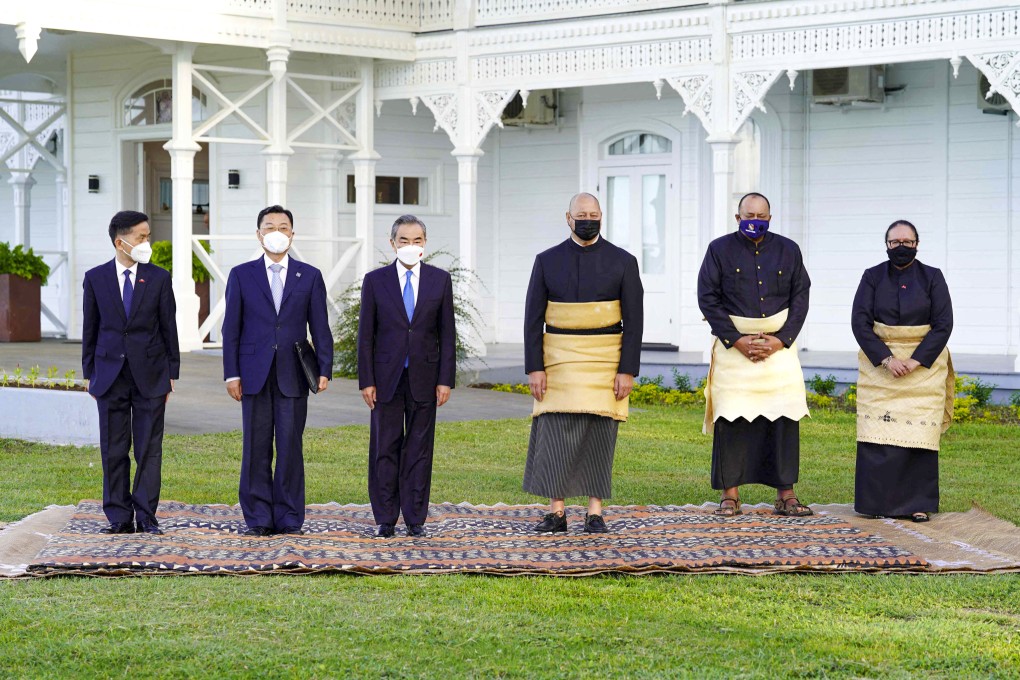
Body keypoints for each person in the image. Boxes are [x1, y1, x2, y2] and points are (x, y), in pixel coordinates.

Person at [522, 192, 643, 534]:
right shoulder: (546, 260)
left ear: (602, 216)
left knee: (600, 435)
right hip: (558, 359)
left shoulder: (624, 261)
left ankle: (595, 512)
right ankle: (556, 512)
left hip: (606, 360)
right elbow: (533, 319)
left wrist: (626, 370)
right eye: (582, 214)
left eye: (594, 214)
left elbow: (635, 322)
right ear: (568, 217)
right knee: (556, 433)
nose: (588, 219)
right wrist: (535, 367)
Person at [697, 192, 812, 517]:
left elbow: (801, 296)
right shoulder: (718, 250)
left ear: (770, 219)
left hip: (779, 351)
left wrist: (782, 339)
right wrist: (736, 340)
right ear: (737, 218)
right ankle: (730, 496)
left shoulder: (789, 250)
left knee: (784, 419)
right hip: (735, 351)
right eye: (749, 215)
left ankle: (786, 494)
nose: (755, 221)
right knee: (731, 419)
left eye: (761, 216)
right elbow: (707, 297)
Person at [222, 205, 333, 536]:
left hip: (293, 373)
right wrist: (232, 373)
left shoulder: (309, 275)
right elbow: (231, 328)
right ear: (258, 234)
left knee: (289, 446)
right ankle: (257, 517)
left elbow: (321, 326)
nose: (276, 232)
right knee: (255, 447)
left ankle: (288, 517)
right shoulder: (241, 274)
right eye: (269, 226)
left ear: (292, 235)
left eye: (283, 227)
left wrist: (324, 366)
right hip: (253, 373)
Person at [358, 215, 456, 538]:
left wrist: (445, 379)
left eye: (417, 241)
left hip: (425, 378)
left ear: (424, 245)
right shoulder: (375, 281)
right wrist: (366, 380)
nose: (410, 246)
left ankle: (415, 517)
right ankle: (385, 517)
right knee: (385, 446)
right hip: (386, 378)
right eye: (404, 241)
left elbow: (447, 334)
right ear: (392, 244)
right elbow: (366, 336)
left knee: (419, 448)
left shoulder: (439, 281)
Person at [82, 210, 179, 535]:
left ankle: (147, 516)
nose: (146, 242)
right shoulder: (95, 278)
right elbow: (90, 328)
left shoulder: (159, 278)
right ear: (120, 241)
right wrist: (89, 373)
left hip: (151, 374)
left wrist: (171, 372)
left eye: (147, 235)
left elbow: (169, 328)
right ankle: (119, 517)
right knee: (113, 448)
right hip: (109, 375)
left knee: (149, 449)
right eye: (141, 236)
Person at [851, 220, 954, 523]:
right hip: (881, 368)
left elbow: (943, 324)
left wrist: (915, 360)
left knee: (918, 435)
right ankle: (875, 503)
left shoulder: (933, 277)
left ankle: (917, 504)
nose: (901, 247)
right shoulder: (872, 277)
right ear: (886, 245)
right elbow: (860, 322)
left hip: (923, 368)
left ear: (917, 244)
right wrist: (886, 359)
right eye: (895, 242)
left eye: (907, 242)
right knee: (877, 436)